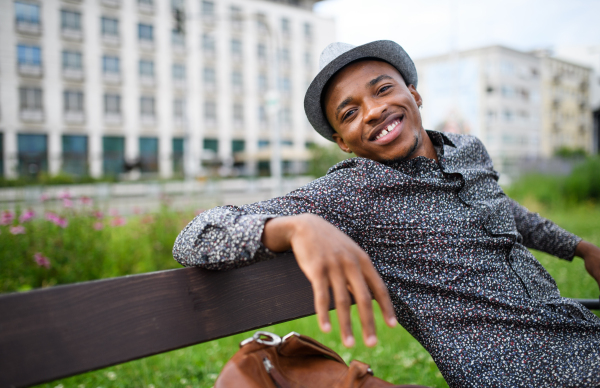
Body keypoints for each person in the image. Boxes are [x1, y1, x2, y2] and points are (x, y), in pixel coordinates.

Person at [173, 40, 600, 387]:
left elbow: (501, 208)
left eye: (382, 89)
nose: (373, 110)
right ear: (343, 141)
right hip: (522, 375)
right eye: (350, 112)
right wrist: (296, 227)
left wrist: (581, 248)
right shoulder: (351, 192)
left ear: (413, 93)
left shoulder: (467, 149)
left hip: (580, 333)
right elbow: (193, 236)